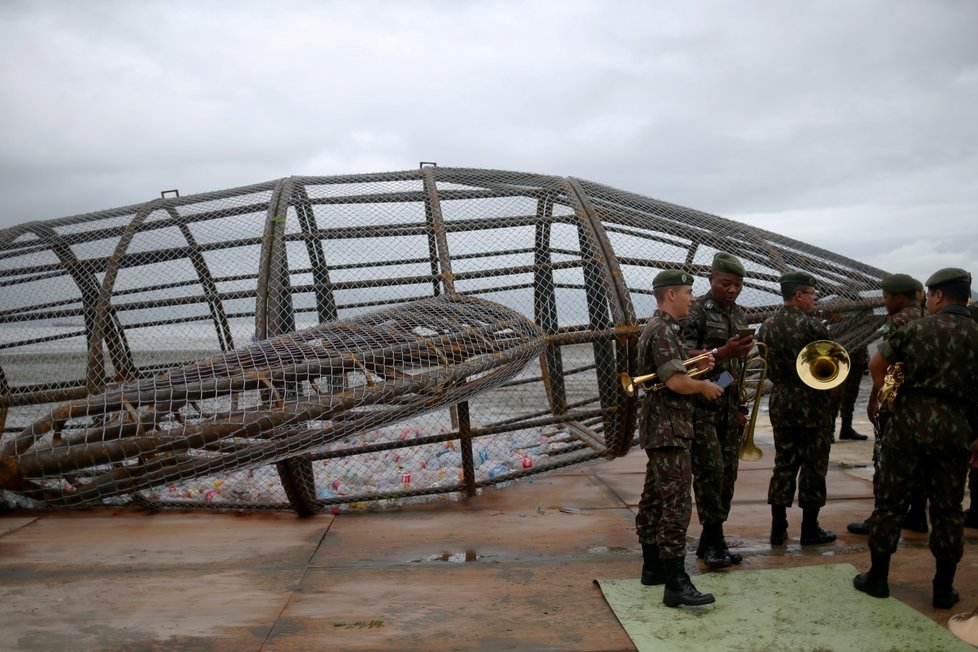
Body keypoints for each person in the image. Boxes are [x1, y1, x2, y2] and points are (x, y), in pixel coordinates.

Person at [854, 268, 978, 609]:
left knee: (891, 504)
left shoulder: (917, 329)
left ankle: (877, 578)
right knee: (948, 509)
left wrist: (889, 398)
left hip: (907, 427)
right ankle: (943, 588)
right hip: (955, 429)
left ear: (938, 296)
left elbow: (878, 364)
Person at [635, 269, 725, 608]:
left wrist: (694, 363)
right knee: (676, 505)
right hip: (669, 428)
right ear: (671, 295)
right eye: (688, 291)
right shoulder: (662, 330)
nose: (693, 298)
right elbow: (675, 383)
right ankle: (676, 582)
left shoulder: (662, 328)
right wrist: (702, 384)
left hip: (664, 428)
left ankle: (653, 567)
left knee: (656, 497)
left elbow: (671, 370)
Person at [681, 252, 756, 569]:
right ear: (711, 279)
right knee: (710, 476)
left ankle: (709, 541)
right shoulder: (694, 313)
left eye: (737, 285)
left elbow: (738, 367)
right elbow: (680, 354)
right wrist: (720, 352)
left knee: (727, 477)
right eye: (726, 283)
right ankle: (715, 542)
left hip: (729, 411)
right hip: (702, 409)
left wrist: (740, 407)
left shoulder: (740, 316)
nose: (732, 290)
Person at [757, 270, 837, 546]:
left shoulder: (767, 326)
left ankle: (778, 529)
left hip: (781, 402)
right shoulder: (813, 326)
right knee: (814, 468)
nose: (813, 300)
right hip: (812, 404)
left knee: (784, 465)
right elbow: (831, 367)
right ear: (799, 294)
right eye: (811, 295)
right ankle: (809, 529)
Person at [847, 273, 923, 535]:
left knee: (885, 461)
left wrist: (880, 401)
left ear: (899, 298)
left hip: (898, 404)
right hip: (921, 406)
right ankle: (917, 516)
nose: (884, 302)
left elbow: (890, 367)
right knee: (919, 462)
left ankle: (879, 519)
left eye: (886, 297)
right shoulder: (926, 317)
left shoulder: (899, 321)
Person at [832, 344, 869, 441]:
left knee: (851, 394)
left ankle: (846, 428)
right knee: (835, 394)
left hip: (856, 359)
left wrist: (865, 358)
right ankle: (830, 430)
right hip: (839, 357)